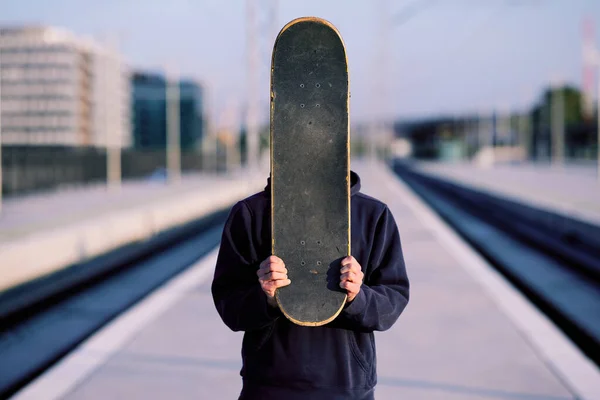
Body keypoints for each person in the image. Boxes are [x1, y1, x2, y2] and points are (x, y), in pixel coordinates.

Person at [211, 170, 410, 400]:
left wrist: (358, 296)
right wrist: (265, 298)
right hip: (269, 387)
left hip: (346, 388)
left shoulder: (373, 215)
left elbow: (393, 300)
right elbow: (229, 304)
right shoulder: (251, 213)